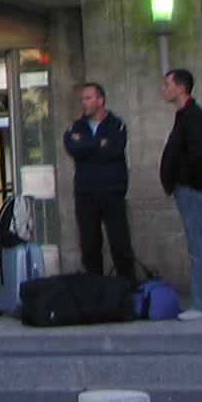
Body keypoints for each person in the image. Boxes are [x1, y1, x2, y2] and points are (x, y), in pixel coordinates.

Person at [158, 68, 202, 321]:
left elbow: (201, 155)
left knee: (200, 247)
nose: (164, 89)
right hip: (187, 187)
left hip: (191, 189)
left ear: (182, 87)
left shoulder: (192, 116)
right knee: (198, 246)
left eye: (168, 84)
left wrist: (182, 178)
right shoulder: (185, 115)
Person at [63, 82, 134, 279]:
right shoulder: (76, 126)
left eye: (88, 98)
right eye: (82, 99)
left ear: (100, 100)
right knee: (89, 245)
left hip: (112, 191)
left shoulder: (116, 124)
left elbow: (113, 151)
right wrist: (97, 143)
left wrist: (86, 148)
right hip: (86, 193)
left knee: (120, 243)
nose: (83, 103)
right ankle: (95, 290)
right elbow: (72, 148)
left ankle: (126, 290)